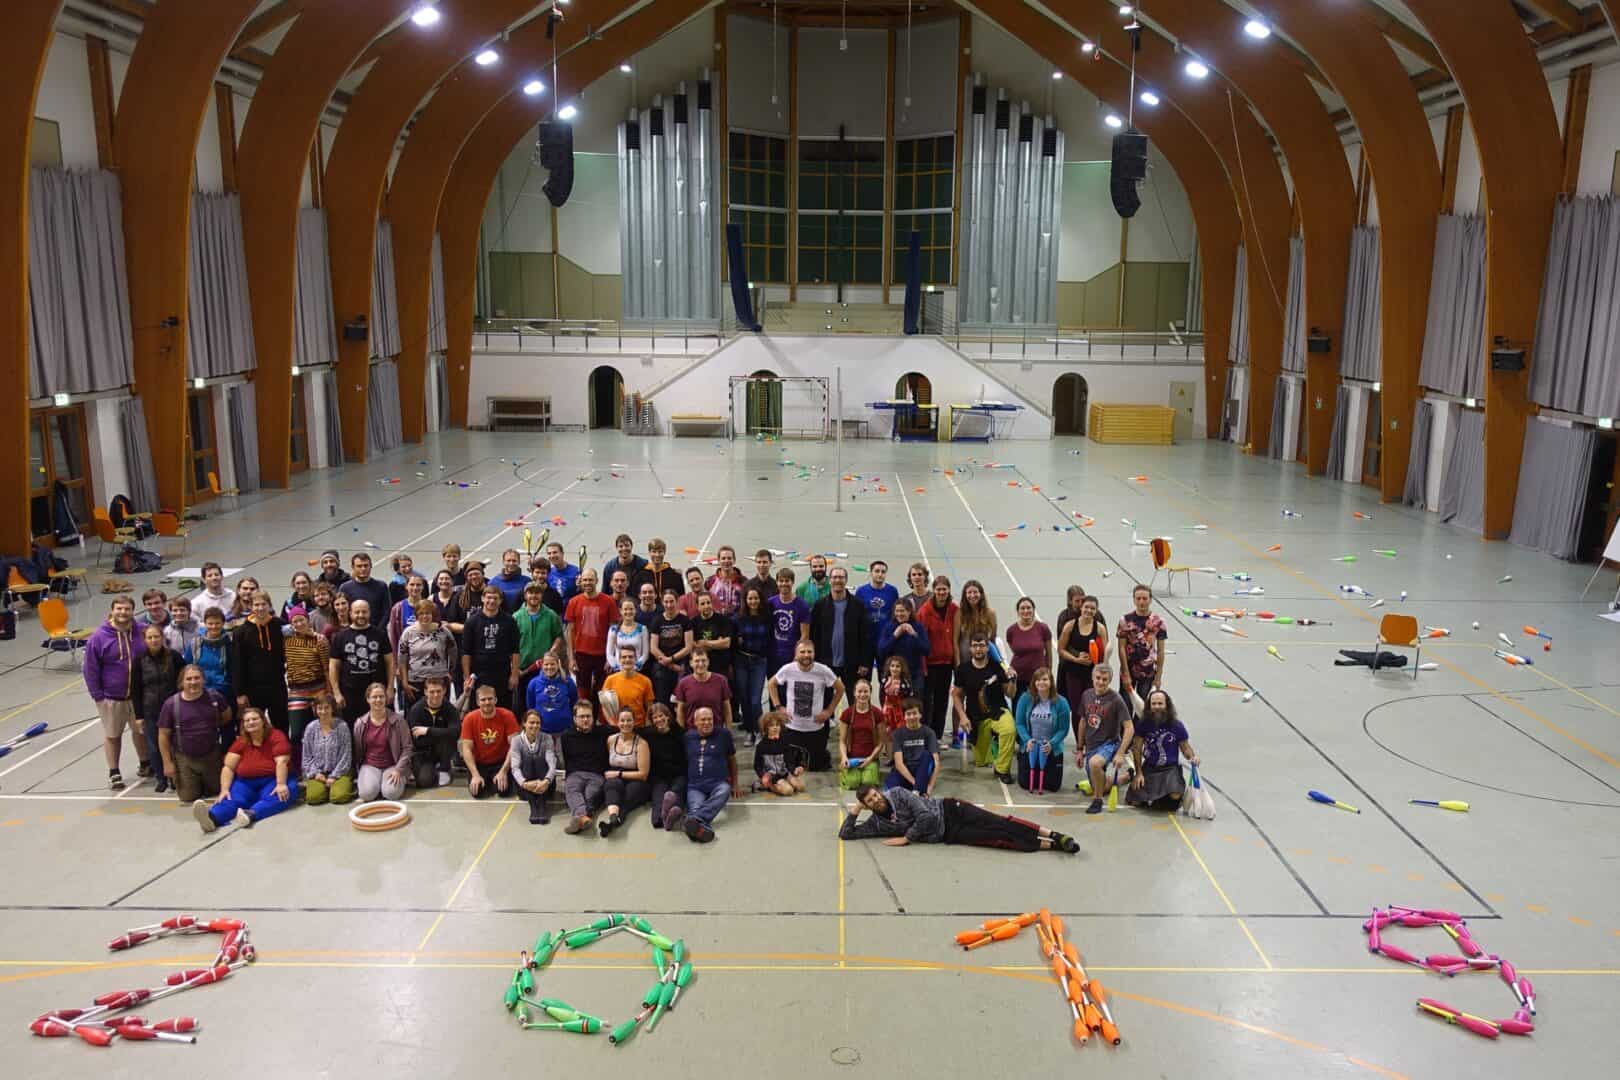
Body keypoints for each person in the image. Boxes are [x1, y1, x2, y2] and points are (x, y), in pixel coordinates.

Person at [839, 787, 1079, 854]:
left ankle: (1053, 834)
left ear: (879, 792)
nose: (876, 801)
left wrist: (907, 838)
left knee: (1000, 822)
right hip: (949, 835)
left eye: (874, 795)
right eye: (870, 802)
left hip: (951, 810)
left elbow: (926, 816)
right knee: (999, 839)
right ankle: (1054, 846)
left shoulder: (899, 794)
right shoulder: (876, 824)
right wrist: (854, 811)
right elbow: (846, 834)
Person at [194, 707, 299, 833]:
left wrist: (281, 784)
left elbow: (282, 761)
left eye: (254, 719)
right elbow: (228, 767)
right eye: (247, 720)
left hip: (273, 778)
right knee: (231, 798)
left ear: (263, 721)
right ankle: (212, 818)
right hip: (245, 782)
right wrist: (224, 789)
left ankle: (251, 814)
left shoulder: (276, 736)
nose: (251, 722)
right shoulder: (242, 741)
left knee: (284, 793)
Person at [85, 596, 147, 790]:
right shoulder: (99, 637)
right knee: (113, 735)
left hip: (138, 696)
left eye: (127, 609)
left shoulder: (142, 631)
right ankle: (114, 772)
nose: (123, 612)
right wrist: (98, 696)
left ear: (133, 611)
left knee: (140, 732)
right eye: (119, 609)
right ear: (112, 611)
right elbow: (90, 669)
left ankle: (145, 763)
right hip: (111, 698)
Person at [158, 664, 232, 804]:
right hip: (185, 757)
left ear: (203, 680)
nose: (193, 682)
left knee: (217, 791)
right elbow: (163, 735)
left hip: (211, 754)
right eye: (189, 679)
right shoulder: (171, 704)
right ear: (181, 682)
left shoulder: (215, 698)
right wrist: (167, 763)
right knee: (188, 797)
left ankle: (205, 781)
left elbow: (227, 716)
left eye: (197, 678)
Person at [664, 706, 738, 843]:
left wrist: (735, 784)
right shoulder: (687, 737)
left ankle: (689, 821)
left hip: (718, 784)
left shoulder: (724, 735)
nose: (707, 723)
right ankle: (699, 826)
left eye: (710, 719)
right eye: (703, 720)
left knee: (725, 790)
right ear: (695, 722)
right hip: (695, 786)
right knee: (696, 809)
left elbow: (732, 759)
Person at [769, 639, 843, 772]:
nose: (806, 655)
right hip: (792, 728)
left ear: (814, 653)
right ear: (796, 654)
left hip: (815, 729)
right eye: (802, 652)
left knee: (816, 767)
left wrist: (829, 711)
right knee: (790, 767)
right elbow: (771, 684)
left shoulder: (823, 670)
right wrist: (778, 707)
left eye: (810, 652)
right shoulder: (788, 669)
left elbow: (840, 689)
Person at [952, 635, 1016, 782]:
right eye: (975, 645)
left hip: (998, 711)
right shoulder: (963, 669)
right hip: (976, 718)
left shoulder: (996, 667)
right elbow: (956, 695)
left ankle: (1002, 769)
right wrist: (962, 716)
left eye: (981, 645)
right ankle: (990, 748)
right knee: (981, 762)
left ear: (988, 648)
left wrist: (1013, 681)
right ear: (970, 649)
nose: (978, 649)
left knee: (1009, 730)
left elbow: (1010, 694)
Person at [131, 623, 183, 793]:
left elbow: (183, 679)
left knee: (174, 744)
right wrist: (139, 716)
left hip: (173, 709)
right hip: (150, 709)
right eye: (150, 637)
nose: (154, 640)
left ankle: (175, 777)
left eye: (156, 637)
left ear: (162, 638)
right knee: (153, 746)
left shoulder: (174, 656)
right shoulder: (139, 660)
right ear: (145, 640)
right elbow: (136, 689)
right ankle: (161, 778)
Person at [1128, 689, 1200, 810]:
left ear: (1167, 705)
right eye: (1154, 704)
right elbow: (1137, 749)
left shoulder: (1177, 725)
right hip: (1150, 768)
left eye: (1160, 704)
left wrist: (1193, 757)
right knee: (1135, 801)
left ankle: (1162, 798)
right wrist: (1139, 773)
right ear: (1149, 706)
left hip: (1170, 769)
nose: (1157, 707)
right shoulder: (1143, 724)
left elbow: (1185, 748)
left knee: (1175, 796)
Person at [1079, 662, 1134, 814]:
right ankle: (1125, 777)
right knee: (1100, 786)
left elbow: (1129, 727)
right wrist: (1079, 748)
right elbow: (1083, 721)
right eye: (1098, 678)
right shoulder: (1087, 695)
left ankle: (1097, 801)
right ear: (1092, 678)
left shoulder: (1116, 699)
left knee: (1095, 764)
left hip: (1109, 744)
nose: (1101, 682)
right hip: (1091, 746)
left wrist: (1120, 753)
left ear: (1110, 680)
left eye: (1105, 679)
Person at [810, 566, 872, 693]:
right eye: (834, 577)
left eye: (841, 577)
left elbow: (865, 636)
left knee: (854, 701)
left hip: (852, 664)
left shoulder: (858, 605)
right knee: (824, 702)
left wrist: (864, 662)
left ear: (846, 580)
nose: (838, 580)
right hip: (826, 664)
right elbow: (814, 635)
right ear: (829, 580)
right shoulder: (820, 606)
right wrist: (815, 661)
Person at [329, 598, 393, 724]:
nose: (360, 615)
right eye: (357, 612)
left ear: (369, 613)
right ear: (350, 613)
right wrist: (336, 693)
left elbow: (390, 662)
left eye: (364, 612)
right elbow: (333, 666)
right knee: (353, 729)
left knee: (381, 725)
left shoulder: (380, 634)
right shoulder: (340, 637)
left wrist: (390, 688)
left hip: (377, 692)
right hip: (350, 693)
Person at [233, 593, 288, 735]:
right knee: (255, 725)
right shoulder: (241, 632)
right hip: (253, 687)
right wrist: (240, 693)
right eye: (256, 605)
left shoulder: (280, 626)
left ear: (269, 605)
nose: (260, 608)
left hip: (277, 684)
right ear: (251, 607)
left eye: (264, 604)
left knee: (281, 722)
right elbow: (238, 664)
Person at [282, 606, 331, 763]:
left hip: (318, 689)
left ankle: (321, 762)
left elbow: (326, 667)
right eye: (294, 622)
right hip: (297, 691)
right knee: (296, 733)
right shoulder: (287, 640)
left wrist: (329, 690)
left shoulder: (320, 640)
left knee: (320, 729)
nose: (298, 624)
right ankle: (298, 765)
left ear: (308, 620)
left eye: (301, 620)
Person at [462, 585, 520, 711]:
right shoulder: (472, 622)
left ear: (500, 601)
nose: (492, 601)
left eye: (495, 598)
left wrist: (514, 675)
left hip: (502, 673)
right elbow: (466, 652)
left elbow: (515, 651)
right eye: (488, 598)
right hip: (479, 673)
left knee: (503, 707)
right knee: (479, 708)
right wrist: (467, 678)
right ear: (482, 599)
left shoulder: (509, 621)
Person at [564, 568, 617, 705]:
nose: (587, 583)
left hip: (602, 655)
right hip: (581, 654)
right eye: (585, 580)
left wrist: (611, 657)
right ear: (580, 582)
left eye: (590, 580)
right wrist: (571, 658)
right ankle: (584, 721)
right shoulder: (574, 602)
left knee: (603, 692)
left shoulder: (608, 601)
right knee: (582, 693)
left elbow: (614, 630)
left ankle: (600, 722)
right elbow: (570, 631)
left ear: (597, 581)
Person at [1015, 667, 1071, 794]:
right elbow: (1019, 724)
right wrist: (1027, 740)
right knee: (1025, 784)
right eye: (1038, 680)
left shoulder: (1062, 703)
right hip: (1031, 746)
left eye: (1045, 679)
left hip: (1050, 748)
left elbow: (1063, 729)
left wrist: (1052, 743)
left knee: (1052, 786)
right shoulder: (1025, 699)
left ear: (1051, 682)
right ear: (1034, 683)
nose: (1041, 682)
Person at [351, 683, 411, 802]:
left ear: (386, 698)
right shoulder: (360, 723)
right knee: (367, 794)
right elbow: (357, 751)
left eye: (381, 696)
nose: (378, 700)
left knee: (391, 794)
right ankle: (374, 782)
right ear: (368, 699)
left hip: (392, 765)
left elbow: (407, 748)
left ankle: (386, 783)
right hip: (370, 765)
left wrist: (399, 769)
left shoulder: (399, 721)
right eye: (374, 697)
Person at [916, 576, 958, 739]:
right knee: (928, 702)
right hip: (930, 665)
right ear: (933, 590)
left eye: (944, 589)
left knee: (942, 702)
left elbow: (956, 637)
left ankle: (937, 737)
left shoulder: (954, 609)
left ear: (948, 590)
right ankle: (927, 735)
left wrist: (956, 663)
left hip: (946, 664)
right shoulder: (925, 611)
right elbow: (921, 641)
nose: (941, 592)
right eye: (938, 589)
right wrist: (924, 666)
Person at [459, 684, 518, 798]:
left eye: (490, 699)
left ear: (495, 700)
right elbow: (466, 749)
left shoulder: (507, 715)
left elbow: (514, 746)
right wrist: (475, 774)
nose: (487, 702)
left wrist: (504, 771)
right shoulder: (469, 718)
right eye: (483, 699)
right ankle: (487, 779)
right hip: (480, 763)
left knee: (503, 791)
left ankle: (495, 779)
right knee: (477, 792)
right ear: (477, 702)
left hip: (501, 762)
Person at [600, 707, 652, 835]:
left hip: (636, 778)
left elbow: (643, 774)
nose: (625, 724)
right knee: (611, 785)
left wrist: (619, 774)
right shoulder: (611, 740)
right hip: (616, 776)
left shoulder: (641, 744)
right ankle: (613, 818)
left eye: (629, 720)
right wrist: (616, 775)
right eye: (622, 720)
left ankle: (615, 820)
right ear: (617, 722)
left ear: (634, 722)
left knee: (629, 794)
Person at [1117, 584, 1166, 718]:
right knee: (1125, 706)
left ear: (1150, 599)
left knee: (1143, 709)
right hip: (1129, 670)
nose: (1141, 602)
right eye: (1138, 599)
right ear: (1134, 600)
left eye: (1145, 598)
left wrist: (1158, 677)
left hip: (1148, 672)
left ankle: (1138, 736)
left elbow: (1161, 651)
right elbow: (1121, 648)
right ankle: (1124, 736)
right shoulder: (1125, 620)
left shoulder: (1158, 622)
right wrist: (1125, 673)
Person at [559, 700, 608, 833]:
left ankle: (578, 818)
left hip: (596, 775)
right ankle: (584, 818)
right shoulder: (566, 736)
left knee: (590, 795)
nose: (585, 719)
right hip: (575, 773)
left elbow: (624, 729)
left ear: (593, 718)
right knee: (573, 791)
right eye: (582, 716)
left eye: (588, 716)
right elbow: (566, 758)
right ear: (575, 718)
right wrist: (567, 775)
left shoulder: (604, 732)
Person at [397, 601, 458, 707]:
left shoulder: (443, 631)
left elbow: (453, 653)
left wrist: (450, 673)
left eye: (428, 613)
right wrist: (405, 683)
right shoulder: (408, 633)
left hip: (439, 681)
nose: (424, 616)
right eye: (421, 613)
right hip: (415, 682)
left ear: (432, 615)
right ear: (416, 615)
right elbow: (402, 659)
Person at [730, 584, 771, 741]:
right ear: (745, 600)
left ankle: (759, 730)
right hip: (741, 660)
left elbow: (770, 640)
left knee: (755, 700)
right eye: (750, 598)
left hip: (759, 662)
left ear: (760, 600)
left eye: (755, 598)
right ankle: (749, 731)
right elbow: (733, 641)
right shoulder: (737, 619)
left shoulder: (767, 617)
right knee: (744, 699)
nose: (753, 601)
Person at [514, 581, 565, 703]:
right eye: (530, 593)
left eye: (537, 593)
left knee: (545, 700)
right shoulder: (516, 617)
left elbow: (559, 636)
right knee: (523, 702)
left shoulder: (551, 615)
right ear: (525, 595)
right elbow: (511, 644)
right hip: (523, 669)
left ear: (542, 595)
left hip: (544, 669)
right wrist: (514, 667)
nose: (534, 596)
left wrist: (552, 652)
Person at [1056, 594, 1106, 717]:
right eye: (1086, 607)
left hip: (1092, 675)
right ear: (1081, 608)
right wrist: (1076, 659)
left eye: (1092, 608)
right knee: (1077, 708)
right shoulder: (1070, 626)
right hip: (1073, 673)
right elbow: (1061, 649)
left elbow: (1104, 653)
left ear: (1096, 610)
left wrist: (1101, 672)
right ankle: (1080, 737)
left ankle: (1090, 735)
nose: (1089, 611)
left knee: (1092, 708)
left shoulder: (1100, 628)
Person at [301, 695, 355, 806]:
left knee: (339, 797)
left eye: (326, 708)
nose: (323, 711)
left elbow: (346, 755)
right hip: (318, 772)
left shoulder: (342, 726)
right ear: (315, 710)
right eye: (320, 708)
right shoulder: (310, 728)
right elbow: (306, 756)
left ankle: (337, 787)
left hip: (340, 771)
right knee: (313, 798)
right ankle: (323, 789)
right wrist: (316, 774)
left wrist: (333, 776)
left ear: (332, 709)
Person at [406, 677, 460, 788]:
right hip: (422, 753)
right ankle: (429, 769)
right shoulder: (416, 710)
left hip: (442, 751)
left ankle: (444, 768)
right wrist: (442, 734)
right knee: (424, 782)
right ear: (425, 692)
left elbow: (456, 732)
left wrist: (428, 731)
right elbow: (417, 741)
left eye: (439, 691)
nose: (435, 695)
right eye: (432, 692)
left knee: (447, 739)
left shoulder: (450, 709)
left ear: (444, 691)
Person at [510, 710, 560, 824]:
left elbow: (552, 763)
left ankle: (542, 805)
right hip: (525, 787)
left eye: (538, 723)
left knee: (539, 759)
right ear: (524, 723)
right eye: (531, 723)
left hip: (546, 785)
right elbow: (515, 767)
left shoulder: (547, 738)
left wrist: (546, 781)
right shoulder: (516, 741)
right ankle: (533, 806)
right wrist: (524, 783)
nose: (535, 726)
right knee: (527, 760)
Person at [876, 598, 931, 700]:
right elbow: (881, 651)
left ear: (909, 612)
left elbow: (927, 650)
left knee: (914, 707)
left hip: (914, 676)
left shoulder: (918, 627)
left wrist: (914, 635)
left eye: (903, 611)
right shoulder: (889, 628)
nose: (899, 614)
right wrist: (895, 636)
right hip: (893, 677)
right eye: (897, 611)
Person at [649, 588, 694, 706]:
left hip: (681, 663)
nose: (669, 605)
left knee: (680, 700)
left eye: (672, 601)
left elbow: (688, 646)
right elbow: (653, 648)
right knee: (662, 700)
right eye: (666, 602)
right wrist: (669, 663)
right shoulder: (657, 620)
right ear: (662, 603)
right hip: (662, 664)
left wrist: (673, 659)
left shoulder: (685, 620)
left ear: (677, 601)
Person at [837, 679, 885, 789]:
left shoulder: (877, 714)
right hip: (852, 758)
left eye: (865, 691)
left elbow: (881, 742)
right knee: (852, 784)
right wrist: (844, 757)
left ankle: (872, 770)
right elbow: (842, 741)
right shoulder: (847, 714)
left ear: (870, 693)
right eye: (859, 691)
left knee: (868, 783)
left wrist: (871, 758)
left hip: (870, 758)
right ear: (854, 693)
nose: (862, 695)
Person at [645, 704, 686, 829]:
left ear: (668, 716)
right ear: (652, 721)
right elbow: (630, 730)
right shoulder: (649, 734)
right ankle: (660, 817)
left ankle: (673, 813)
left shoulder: (679, 733)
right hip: (659, 777)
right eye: (655, 718)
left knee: (677, 792)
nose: (658, 720)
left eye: (661, 716)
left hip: (678, 774)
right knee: (658, 799)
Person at [886, 698, 938, 794]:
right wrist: (916, 783)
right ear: (904, 716)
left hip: (922, 770)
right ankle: (918, 789)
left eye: (915, 713)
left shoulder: (929, 733)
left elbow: (936, 762)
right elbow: (899, 764)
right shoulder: (898, 734)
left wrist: (930, 787)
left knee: (927, 755)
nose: (912, 717)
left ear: (920, 715)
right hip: (905, 771)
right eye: (908, 714)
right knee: (890, 792)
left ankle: (918, 791)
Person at [673, 646, 733, 731]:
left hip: (716, 731)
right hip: (692, 732)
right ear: (691, 663)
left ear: (708, 662)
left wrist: (728, 732)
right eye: (697, 661)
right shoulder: (683, 683)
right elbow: (680, 712)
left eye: (703, 660)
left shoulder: (721, 681)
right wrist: (681, 735)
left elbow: (727, 709)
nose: (700, 664)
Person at [1005, 597, 1053, 702]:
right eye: (1022, 608)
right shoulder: (1011, 630)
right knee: (1019, 710)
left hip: (1039, 679)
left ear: (1033, 610)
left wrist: (1048, 674)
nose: (1026, 611)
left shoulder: (1043, 628)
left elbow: (1049, 654)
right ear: (1018, 611)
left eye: (1028, 608)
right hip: (1019, 678)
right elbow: (1014, 651)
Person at [194, 608, 234, 731]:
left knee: (227, 729)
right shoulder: (195, 644)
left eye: (217, 623)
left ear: (223, 623)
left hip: (225, 692)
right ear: (205, 623)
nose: (214, 626)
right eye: (210, 623)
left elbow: (234, 669)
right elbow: (189, 667)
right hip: (201, 692)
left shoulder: (231, 643)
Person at [688, 588, 736, 691]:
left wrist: (705, 643)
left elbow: (726, 643)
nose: (706, 606)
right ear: (697, 606)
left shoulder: (723, 620)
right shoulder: (693, 622)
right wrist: (717, 642)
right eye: (703, 604)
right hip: (702, 667)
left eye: (708, 603)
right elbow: (695, 646)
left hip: (722, 666)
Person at [855, 561, 900, 667]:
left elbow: (896, 614)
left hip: (885, 641)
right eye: (877, 571)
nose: (880, 574)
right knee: (864, 677)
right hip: (867, 642)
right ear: (871, 573)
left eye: (883, 572)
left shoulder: (892, 591)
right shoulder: (861, 592)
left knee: (885, 676)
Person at [752, 711, 807, 796]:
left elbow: (789, 759)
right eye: (771, 726)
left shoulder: (785, 741)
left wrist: (796, 768)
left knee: (801, 787)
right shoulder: (761, 745)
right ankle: (767, 786)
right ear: (766, 728)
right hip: (772, 775)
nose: (775, 728)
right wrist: (763, 776)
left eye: (777, 725)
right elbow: (757, 765)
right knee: (788, 791)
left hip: (784, 772)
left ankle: (784, 782)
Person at [768, 568, 811, 673]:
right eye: (781, 581)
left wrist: (797, 657)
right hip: (772, 655)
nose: (784, 584)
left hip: (791, 655)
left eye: (787, 581)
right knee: (773, 686)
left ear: (792, 582)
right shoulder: (770, 602)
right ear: (777, 582)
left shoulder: (802, 605)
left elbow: (805, 635)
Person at [602, 644, 655, 727]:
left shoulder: (645, 681)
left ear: (635, 659)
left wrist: (647, 724)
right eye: (624, 657)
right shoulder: (610, 680)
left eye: (630, 657)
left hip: (638, 727)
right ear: (619, 659)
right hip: (617, 727)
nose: (627, 659)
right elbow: (604, 705)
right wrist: (612, 723)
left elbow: (649, 706)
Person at [525, 651, 578, 735]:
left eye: (552, 664)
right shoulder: (533, 683)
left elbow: (574, 703)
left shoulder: (567, 682)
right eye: (546, 664)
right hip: (542, 731)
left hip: (564, 730)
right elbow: (530, 707)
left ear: (558, 664)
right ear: (542, 665)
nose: (549, 667)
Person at [339, 552, 391, 624]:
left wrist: (378, 631)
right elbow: (342, 611)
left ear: (371, 566)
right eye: (359, 566)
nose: (363, 569)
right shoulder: (345, 588)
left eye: (366, 565)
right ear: (353, 567)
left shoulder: (381, 586)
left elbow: (386, 612)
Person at [386, 574, 429, 653]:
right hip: (405, 655)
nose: (415, 588)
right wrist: (396, 660)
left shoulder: (430, 607)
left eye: (418, 585)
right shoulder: (397, 609)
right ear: (406, 586)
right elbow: (394, 637)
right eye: (412, 585)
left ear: (423, 587)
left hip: (427, 654)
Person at [956, 580, 998, 662]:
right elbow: (955, 642)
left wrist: (998, 662)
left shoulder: (990, 614)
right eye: (969, 592)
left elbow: (993, 640)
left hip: (984, 661)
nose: (972, 595)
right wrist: (957, 665)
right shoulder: (959, 613)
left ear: (981, 594)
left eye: (975, 592)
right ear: (965, 595)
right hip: (965, 660)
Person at [606, 598, 649, 672]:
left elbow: (645, 654)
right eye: (625, 609)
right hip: (618, 671)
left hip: (636, 671)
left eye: (631, 609)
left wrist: (634, 667)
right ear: (620, 611)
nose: (628, 612)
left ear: (635, 610)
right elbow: (609, 653)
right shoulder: (614, 629)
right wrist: (617, 667)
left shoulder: (642, 629)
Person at [543, 542, 580, 616]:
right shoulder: (548, 573)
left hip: (572, 615)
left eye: (555, 552)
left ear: (562, 553)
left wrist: (581, 587)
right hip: (555, 616)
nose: (552, 556)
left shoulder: (576, 571)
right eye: (549, 553)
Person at [878, 654, 913, 733]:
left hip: (900, 710)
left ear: (902, 668)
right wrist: (883, 706)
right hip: (887, 709)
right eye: (892, 666)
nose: (895, 669)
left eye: (897, 666)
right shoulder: (885, 681)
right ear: (889, 667)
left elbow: (909, 696)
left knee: (900, 728)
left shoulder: (905, 682)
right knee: (887, 729)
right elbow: (881, 695)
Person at [705, 545, 743, 615]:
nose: (726, 561)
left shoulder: (743, 581)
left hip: (736, 622)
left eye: (729, 558)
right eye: (723, 558)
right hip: (717, 622)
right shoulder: (710, 582)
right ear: (718, 561)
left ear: (734, 560)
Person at [429, 569, 467, 638]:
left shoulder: (461, 597)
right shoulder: (431, 599)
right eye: (441, 579)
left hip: (458, 638)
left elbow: (466, 625)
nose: (444, 581)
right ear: (437, 582)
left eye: (447, 579)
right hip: (438, 639)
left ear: (452, 581)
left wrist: (450, 626)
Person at [165, 595, 201, 662]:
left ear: (189, 611)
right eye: (175, 610)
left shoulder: (199, 628)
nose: (178, 613)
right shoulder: (167, 631)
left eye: (182, 610)